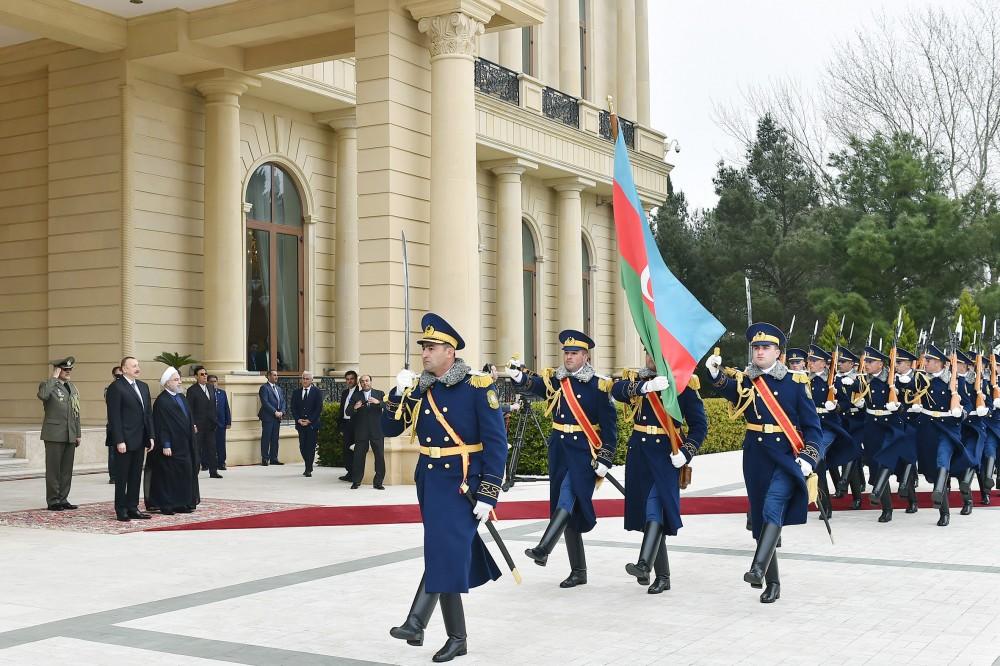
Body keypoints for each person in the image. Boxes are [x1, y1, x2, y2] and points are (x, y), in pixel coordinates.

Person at [382, 313, 507, 663]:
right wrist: (396, 393)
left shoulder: (477, 386)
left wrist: (489, 492)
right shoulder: (423, 388)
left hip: (464, 483)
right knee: (444, 553)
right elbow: (389, 429)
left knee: (443, 551)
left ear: (450, 352)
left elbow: (497, 444)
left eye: (431, 347)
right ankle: (457, 638)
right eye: (423, 347)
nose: (424, 353)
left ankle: (416, 621)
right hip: (431, 479)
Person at [706, 322, 824, 604]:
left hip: (786, 456)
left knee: (773, 506)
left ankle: (757, 568)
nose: (760, 352)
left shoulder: (796, 383)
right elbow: (730, 390)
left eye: (766, 347)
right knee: (759, 516)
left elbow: (813, 427)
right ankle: (773, 582)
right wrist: (714, 373)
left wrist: (809, 457)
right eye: (756, 347)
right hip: (756, 456)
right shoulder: (748, 379)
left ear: (778, 353)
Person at [511, 329, 618, 589]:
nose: (568, 358)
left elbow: (610, 427)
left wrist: (606, 457)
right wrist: (518, 377)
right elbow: (538, 386)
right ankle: (578, 571)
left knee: (568, 496)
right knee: (567, 508)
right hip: (559, 449)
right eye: (566, 353)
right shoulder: (558, 380)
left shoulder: (598, 385)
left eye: (573, 353)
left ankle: (543, 548)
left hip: (584, 452)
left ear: (585, 356)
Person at [611, 351, 706, 595]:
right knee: (647, 512)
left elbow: (699, 426)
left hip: (666, 455)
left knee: (655, 506)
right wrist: (646, 387)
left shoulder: (683, 384)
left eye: (656, 351)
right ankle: (663, 577)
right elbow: (616, 390)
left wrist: (686, 453)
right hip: (639, 454)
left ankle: (644, 564)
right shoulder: (637, 381)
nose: (650, 357)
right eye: (647, 350)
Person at [106, 356, 155, 522]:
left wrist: (151, 436)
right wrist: (119, 440)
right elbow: (115, 417)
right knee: (122, 477)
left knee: (135, 476)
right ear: (124, 369)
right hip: (125, 441)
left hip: (140, 439)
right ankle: (121, 509)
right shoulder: (116, 387)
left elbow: (148, 414)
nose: (137, 368)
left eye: (138, 365)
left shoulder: (143, 386)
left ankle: (133, 507)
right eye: (134, 366)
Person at [149, 367, 196, 515]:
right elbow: (161, 425)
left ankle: (182, 503)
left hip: (184, 444)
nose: (179, 382)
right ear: (167, 383)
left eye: (179, 379)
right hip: (170, 446)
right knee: (168, 476)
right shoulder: (162, 401)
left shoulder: (181, 397)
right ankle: (167, 505)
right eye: (176, 380)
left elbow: (188, 415)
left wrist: (192, 425)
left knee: (184, 473)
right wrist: (166, 444)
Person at [37, 356, 81, 511]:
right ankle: (53, 500)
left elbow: (76, 411)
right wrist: (53, 378)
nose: (68, 372)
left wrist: (78, 433)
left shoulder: (72, 387)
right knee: (54, 469)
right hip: (54, 433)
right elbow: (43, 395)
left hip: (70, 433)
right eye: (65, 369)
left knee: (66, 469)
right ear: (57, 370)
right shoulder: (48, 385)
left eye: (70, 369)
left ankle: (63, 498)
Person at [349, 375, 386, 489]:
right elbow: (348, 411)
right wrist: (355, 407)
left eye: (367, 381)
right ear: (360, 383)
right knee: (358, 457)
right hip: (361, 431)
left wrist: (378, 402)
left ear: (371, 381)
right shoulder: (356, 395)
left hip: (377, 430)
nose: (365, 383)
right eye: (362, 381)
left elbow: (388, 406)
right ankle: (356, 481)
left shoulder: (380, 393)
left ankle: (378, 482)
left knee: (379, 457)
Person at [187, 365, 221, 479]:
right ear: (196, 376)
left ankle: (213, 471)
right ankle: (194, 472)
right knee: (197, 449)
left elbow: (213, 405)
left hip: (210, 425)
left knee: (212, 448)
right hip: (198, 426)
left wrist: (215, 420)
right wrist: (193, 424)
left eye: (206, 374)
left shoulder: (211, 388)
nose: (205, 376)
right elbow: (189, 409)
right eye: (202, 374)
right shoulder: (192, 390)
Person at [291, 371, 323, 477]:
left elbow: (318, 408)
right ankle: (308, 464)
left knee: (310, 447)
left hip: (312, 424)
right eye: (303, 378)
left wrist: (310, 420)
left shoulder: (317, 392)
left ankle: (308, 468)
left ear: (311, 380)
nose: (305, 380)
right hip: (300, 424)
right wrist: (298, 419)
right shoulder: (296, 392)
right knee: (303, 447)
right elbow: (293, 408)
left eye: (307, 379)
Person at [258, 369, 285, 465]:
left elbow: (282, 402)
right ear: (268, 376)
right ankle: (265, 459)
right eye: (274, 375)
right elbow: (265, 402)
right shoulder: (264, 388)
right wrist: (275, 412)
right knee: (266, 438)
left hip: (277, 418)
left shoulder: (279, 389)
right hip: (268, 417)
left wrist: (282, 411)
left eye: (277, 375)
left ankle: (274, 458)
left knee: (275, 438)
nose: (276, 377)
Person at [338, 370, 360, 481]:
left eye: (351, 379)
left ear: (356, 379)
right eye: (347, 379)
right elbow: (341, 409)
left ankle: (355, 474)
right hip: (346, 424)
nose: (349, 381)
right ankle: (349, 472)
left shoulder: (359, 392)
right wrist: (341, 426)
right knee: (346, 449)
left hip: (356, 424)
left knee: (355, 449)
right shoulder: (344, 392)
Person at [207, 375, 232, 470]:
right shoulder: (206, 393)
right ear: (208, 383)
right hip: (209, 424)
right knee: (209, 444)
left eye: (215, 381)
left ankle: (221, 463)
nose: (213, 383)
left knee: (221, 444)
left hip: (221, 423)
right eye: (211, 381)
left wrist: (228, 421)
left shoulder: (222, 393)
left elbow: (226, 408)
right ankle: (207, 463)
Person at [105, 366, 124, 484]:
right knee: (112, 451)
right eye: (117, 376)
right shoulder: (110, 388)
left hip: (126, 424)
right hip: (112, 424)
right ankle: (113, 476)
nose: (119, 378)